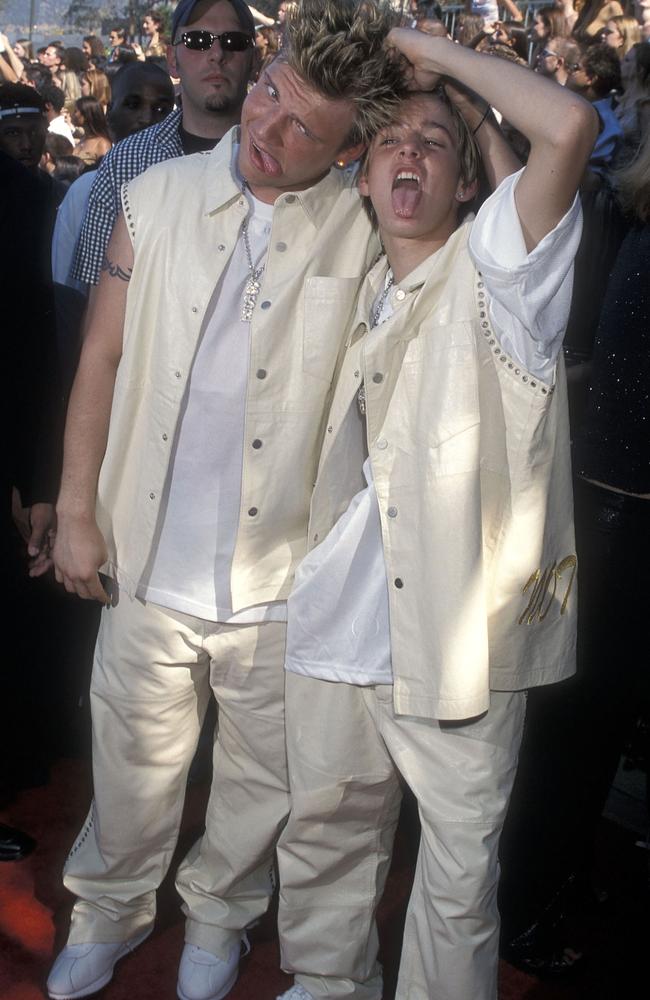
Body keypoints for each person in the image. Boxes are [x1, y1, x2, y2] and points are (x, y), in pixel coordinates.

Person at [46, 4, 406, 1000]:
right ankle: (109, 907)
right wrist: (77, 506)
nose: (266, 131)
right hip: (146, 548)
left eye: (302, 129)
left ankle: (218, 916)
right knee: (130, 758)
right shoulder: (153, 195)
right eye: (266, 96)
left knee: (258, 776)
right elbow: (102, 357)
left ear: (347, 150)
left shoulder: (369, 219)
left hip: (284, 568)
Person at [273, 23, 597, 1000]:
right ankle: (332, 982)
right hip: (339, 622)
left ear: (465, 186)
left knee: (454, 881)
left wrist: (425, 52)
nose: (405, 152)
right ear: (361, 177)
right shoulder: (365, 274)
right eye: (386, 143)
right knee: (326, 830)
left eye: (431, 141)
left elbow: (570, 123)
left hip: (456, 641)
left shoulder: (504, 280)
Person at [70, 0, 256, 290]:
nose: (217, 54)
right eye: (198, 40)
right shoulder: (125, 161)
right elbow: (89, 291)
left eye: (234, 41)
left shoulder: (285, 158)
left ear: (253, 59)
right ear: (172, 59)